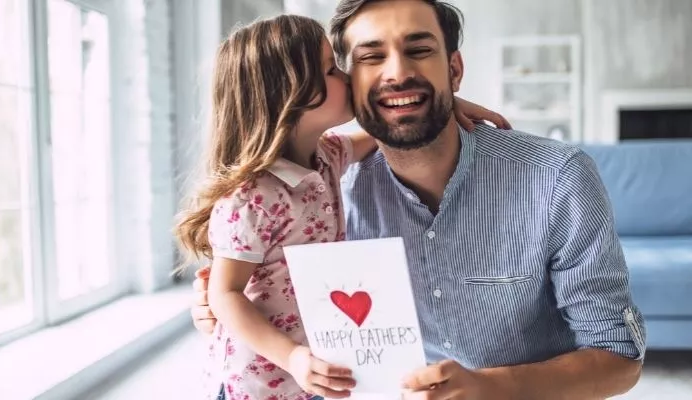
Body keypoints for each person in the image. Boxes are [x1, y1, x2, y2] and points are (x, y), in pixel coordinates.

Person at [192, 1, 648, 399]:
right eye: (370, 57)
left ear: (454, 69)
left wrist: (493, 388)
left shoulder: (557, 176)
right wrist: (219, 306)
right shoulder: (331, 184)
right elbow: (253, 285)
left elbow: (619, 359)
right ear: (350, 83)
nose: (397, 73)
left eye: (419, 50)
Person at [176, 13, 511, 400]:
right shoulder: (253, 199)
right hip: (255, 384)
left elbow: (390, 124)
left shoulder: (328, 157)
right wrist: (294, 357)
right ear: (290, 94)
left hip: (313, 373)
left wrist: (442, 101)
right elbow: (225, 296)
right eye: (331, 70)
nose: (348, 78)